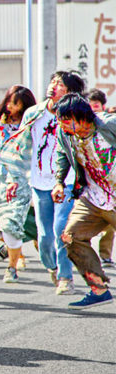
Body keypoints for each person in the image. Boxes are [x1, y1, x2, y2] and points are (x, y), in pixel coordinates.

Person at [6, 71, 84, 295]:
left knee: (61, 228)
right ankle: (52, 265)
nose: (53, 86)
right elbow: (19, 147)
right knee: (44, 237)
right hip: (40, 183)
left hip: (67, 181)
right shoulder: (34, 113)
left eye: (60, 84)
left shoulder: (75, 114)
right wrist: (14, 178)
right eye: (53, 82)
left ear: (70, 92)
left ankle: (65, 277)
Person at [52, 93, 116, 308]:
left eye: (65, 119)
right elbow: (62, 154)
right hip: (93, 198)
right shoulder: (66, 135)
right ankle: (98, 288)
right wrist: (59, 182)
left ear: (79, 115)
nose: (61, 124)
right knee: (71, 237)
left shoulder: (108, 125)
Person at [0, 85, 37, 283]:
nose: (13, 108)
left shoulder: (30, 124)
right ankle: (14, 249)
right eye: (12, 103)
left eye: (19, 106)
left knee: (10, 225)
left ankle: (11, 267)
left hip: (19, 179)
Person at [85, 89, 116, 267]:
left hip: (110, 180)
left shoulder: (109, 123)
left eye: (96, 105)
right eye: (90, 106)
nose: (93, 109)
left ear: (103, 106)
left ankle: (104, 255)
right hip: (89, 181)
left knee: (109, 222)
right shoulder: (82, 126)